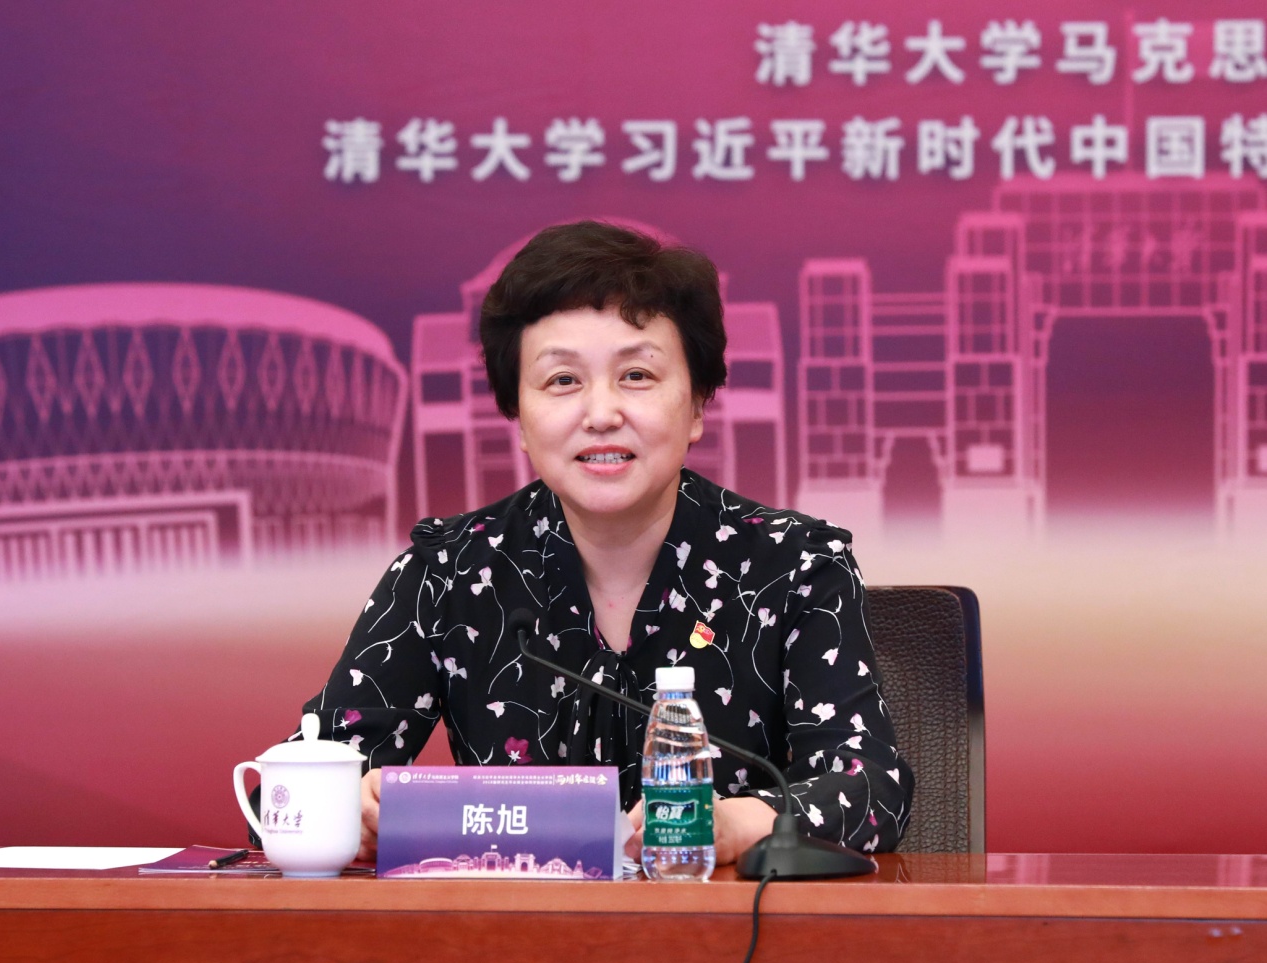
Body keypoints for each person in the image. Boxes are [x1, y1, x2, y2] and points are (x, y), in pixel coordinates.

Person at [300, 220, 914, 864]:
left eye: (637, 376)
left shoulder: (793, 565)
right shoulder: (448, 573)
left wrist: (743, 822)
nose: (601, 414)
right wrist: (349, 806)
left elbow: (873, 790)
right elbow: (288, 794)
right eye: (562, 381)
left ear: (698, 406)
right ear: (519, 418)